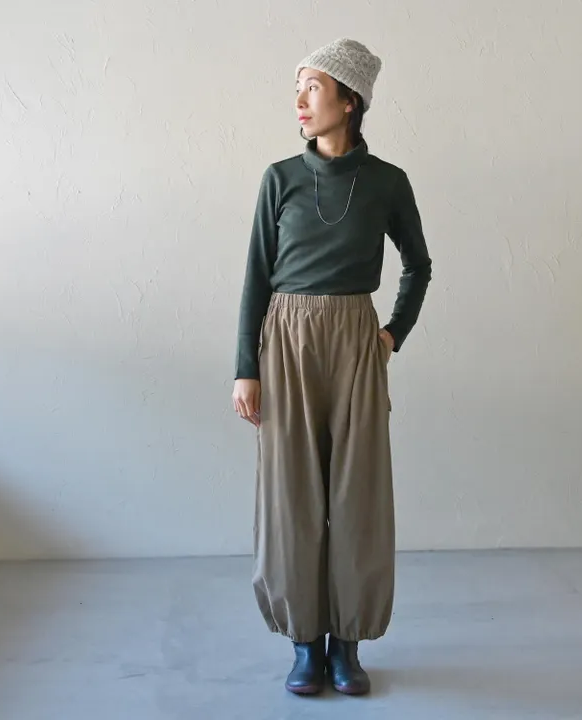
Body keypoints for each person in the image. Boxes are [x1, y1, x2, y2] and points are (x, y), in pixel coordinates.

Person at [232, 37, 432, 696]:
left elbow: (418, 265)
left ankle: (347, 644)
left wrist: (391, 334)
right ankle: (304, 644)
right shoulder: (280, 179)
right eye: (298, 87)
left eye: (312, 87)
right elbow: (256, 276)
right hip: (286, 341)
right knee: (291, 496)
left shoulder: (387, 182)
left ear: (350, 100)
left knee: (356, 494)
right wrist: (246, 367)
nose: (299, 100)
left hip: (354, 339)